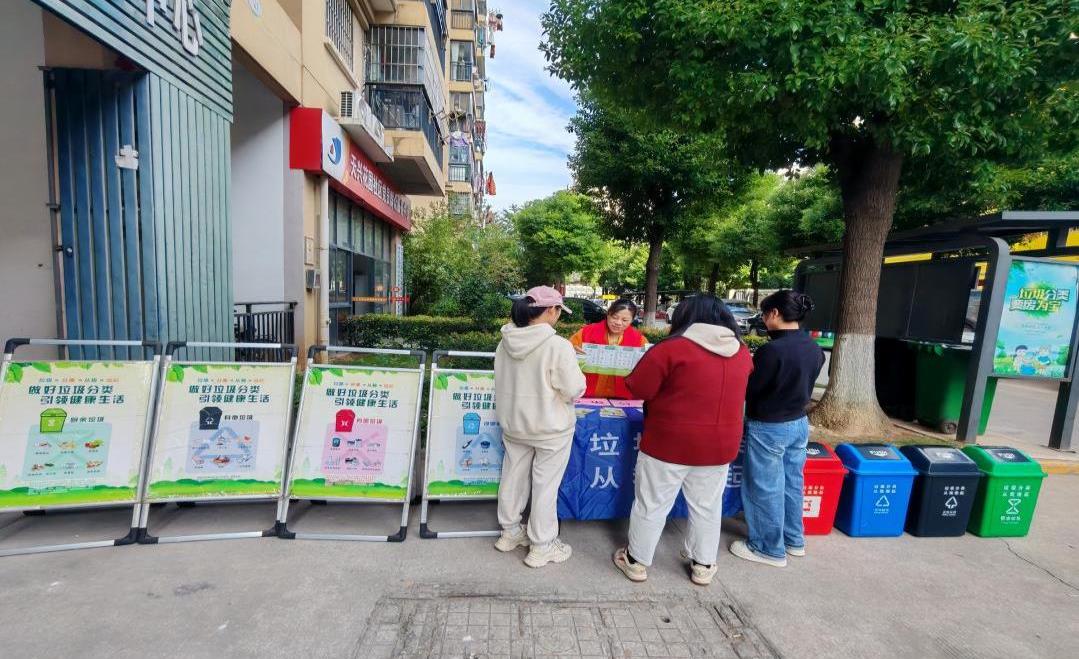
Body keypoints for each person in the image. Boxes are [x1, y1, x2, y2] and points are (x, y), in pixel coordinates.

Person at [611, 294, 753, 586]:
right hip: (720, 446)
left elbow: (639, 387)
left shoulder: (671, 349)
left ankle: (636, 561)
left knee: (652, 504)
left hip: (668, 444)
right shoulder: (741, 352)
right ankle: (703, 565)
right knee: (707, 506)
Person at [493, 286, 587, 567]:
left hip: (514, 424)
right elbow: (573, 389)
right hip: (550, 428)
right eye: (558, 310)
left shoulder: (505, 342)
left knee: (513, 477)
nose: (558, 316)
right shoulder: (558, 346)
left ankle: (509, 533)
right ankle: (541, 546)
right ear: (550, 310)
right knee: (545, 486)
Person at [731, 290, 825, 568]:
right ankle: (794, 540)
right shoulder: (813, 347)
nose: (762, 319)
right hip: (799, 423)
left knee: (765, 487)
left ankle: (767, 548)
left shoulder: (771, 350)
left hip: (770, 426)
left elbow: (751, 389)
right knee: (792, 482)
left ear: (774, 313)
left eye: (763, 314)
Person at [569, 298, 647, 399]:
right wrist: (573, 352)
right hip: (588, 394)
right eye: (615, 317)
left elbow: (647, 369)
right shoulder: (586, 333)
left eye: (624, 320)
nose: (618, 323)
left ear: (632, 320)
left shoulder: (640, 340)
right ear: (608, 314)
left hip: (623, 397)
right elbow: (566, 354)